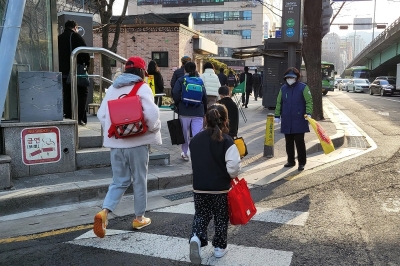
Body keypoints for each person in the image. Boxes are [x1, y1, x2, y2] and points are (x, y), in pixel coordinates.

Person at [93, 56, 162, 238]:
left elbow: (101, 114)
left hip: (116, 143)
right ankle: (139, 217)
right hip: (137, 143)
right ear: (142, 72)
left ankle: (105, 212)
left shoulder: (112, 89)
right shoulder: (142, 87)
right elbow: (153, 114)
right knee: (139, 179)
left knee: (119, 180)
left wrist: (118, 130)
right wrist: (152, 129)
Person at [188, 103, 241, 264]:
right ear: (225, 121)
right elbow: (233, 168)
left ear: (205, 119)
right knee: (220, 217)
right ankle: (219, 247)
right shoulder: (227, 141)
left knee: (202, 214)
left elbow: (193, 162)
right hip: (220, 189)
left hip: (199, 187)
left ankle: (196, 237)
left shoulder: (195, 140)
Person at [274, 67, 313, 172]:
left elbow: (309, 101)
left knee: (300, 142)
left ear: (296, 78)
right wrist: (277, 115)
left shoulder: (303, 88)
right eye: (288, 77)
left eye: (292, 77)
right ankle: (290, 161)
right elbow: (279, 102)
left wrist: (309, 113)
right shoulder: (283, 89)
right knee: (288, 142)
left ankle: (302, 162)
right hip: (287, 119)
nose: (289, 79)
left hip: (299, 119)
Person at [172, 61, 207, 161]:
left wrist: (178, 104)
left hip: (184, 111)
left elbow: (175, 93)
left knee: (184, 133)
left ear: (185, 70)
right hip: (198, 111)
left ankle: (185, 152)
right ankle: (197, 152)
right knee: (198, 134)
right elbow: (204, 96)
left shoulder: (181, 80)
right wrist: (204, 110)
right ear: (195, 69)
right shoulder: (199, 80)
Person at [58, 20, 91, 126]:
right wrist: (86, 65)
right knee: (81, 94)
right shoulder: (75, 36)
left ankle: (68, 117)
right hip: (76, 72)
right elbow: (85, 54)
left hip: (62, 73)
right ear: (75, 27)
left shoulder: (58, 38)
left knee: (67, 95)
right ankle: (79, 118)